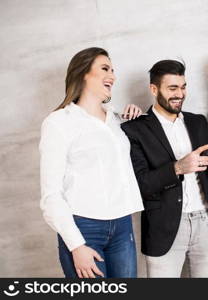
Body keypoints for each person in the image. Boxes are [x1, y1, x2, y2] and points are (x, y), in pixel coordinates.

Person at [121, 60, 208, 277]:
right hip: (164, 228)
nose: (180, 94)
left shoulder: (198, 122)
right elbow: (141, 185)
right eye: (172, 88)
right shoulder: (135, 129)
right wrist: (177, 168)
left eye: (183, 87)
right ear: (154, 89)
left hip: (207, 224)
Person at [39, 47, 144, 278]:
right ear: (83, 73)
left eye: (113, 70)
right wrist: (76, 245)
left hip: (122, 225)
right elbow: (51, 196)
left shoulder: (116, 120)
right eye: (105, 69)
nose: (113, 76)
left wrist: (135, 122)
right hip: (84, 228)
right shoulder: (59, 122)